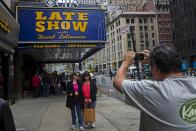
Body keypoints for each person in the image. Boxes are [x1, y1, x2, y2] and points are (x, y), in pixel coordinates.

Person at [113, 44, 196, 131]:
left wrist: (126, 62)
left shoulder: (151, 90)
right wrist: (153, 63)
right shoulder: (194, 82)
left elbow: (117, 81)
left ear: (155, 70)